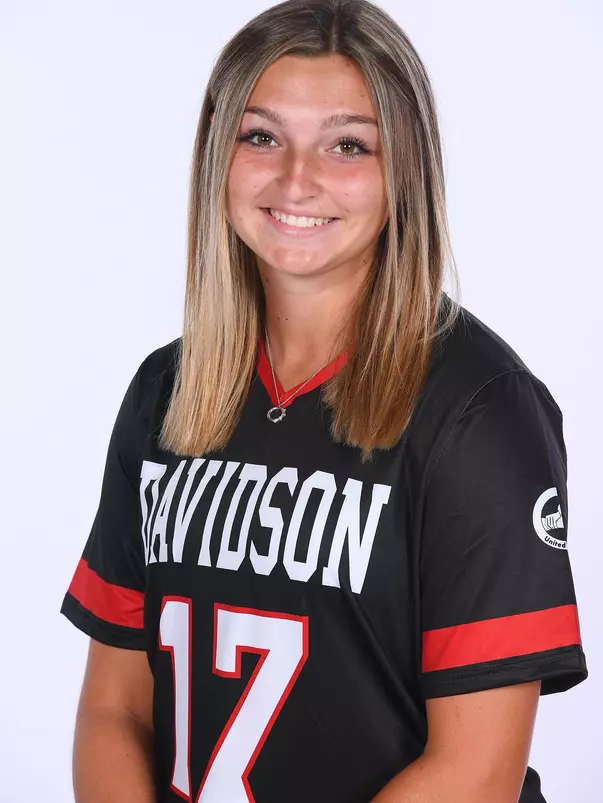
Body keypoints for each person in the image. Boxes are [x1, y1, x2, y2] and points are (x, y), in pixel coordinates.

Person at [60, 1, 588, 801]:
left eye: (348, 144)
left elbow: (475, 772)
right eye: (261, 136)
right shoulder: (164, 395)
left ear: (403, 169)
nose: (295, 179)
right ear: (217, 153)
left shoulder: (478, 411)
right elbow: (113, 708)